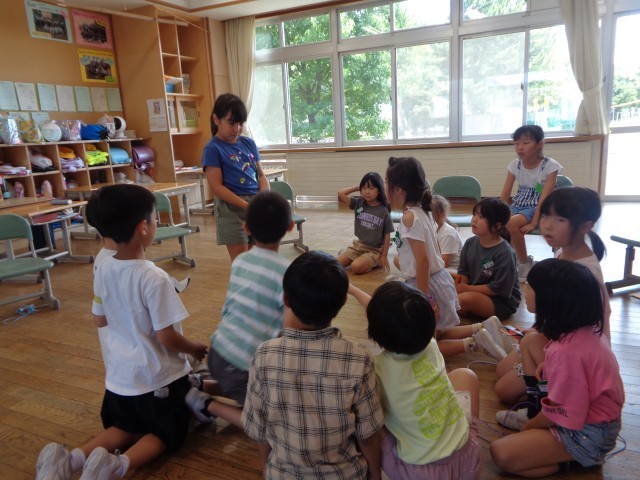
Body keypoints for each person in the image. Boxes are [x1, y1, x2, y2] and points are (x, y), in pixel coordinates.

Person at [35, 184, 208, 480]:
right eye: (154, 218)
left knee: (126, 427)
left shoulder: (103, 268)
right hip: (156, 381)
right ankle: (118, 466)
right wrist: (194, 349)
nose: (156, 223)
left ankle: (69, 459)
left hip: (120, 382)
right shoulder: (154, 277)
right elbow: (166, 337)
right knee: (165, 432)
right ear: (143, 227)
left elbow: (99, 319)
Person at [241, 252, 384, 479]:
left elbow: (258, 429)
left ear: (286, 299)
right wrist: (375, 474)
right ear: (343, 302)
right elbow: (368, 433)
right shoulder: (359, 358)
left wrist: (267, 469)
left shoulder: (263, 355)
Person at [490, 259, 624, 478]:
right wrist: (550, 367)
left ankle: (574, 460)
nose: (525, 290)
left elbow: (561, 412)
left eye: (530, 287)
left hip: (587, 434)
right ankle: (535, 414)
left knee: (501, 453)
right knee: (530, 342)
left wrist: (530, 428)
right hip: (591, 421)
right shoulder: (583, 330)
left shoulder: (567, 353)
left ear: (550, 299)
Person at [348, 281, 482, 479]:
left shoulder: (376, 370)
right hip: (467, 459)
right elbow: (389, 317)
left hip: (419, 473)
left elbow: (383, 316)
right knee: (465, 375)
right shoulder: (431, 345)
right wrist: (352, 289)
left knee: (366, 422)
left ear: (375, 330)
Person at [495, 186, 612, 411]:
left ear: (585, 226)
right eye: (546, 215)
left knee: (504, 391)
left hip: (575, 354)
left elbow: (589, 329)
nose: (547, 225)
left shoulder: (586, 273)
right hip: (555, 337)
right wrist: (536, 330)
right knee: (502, 370)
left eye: (560, 219)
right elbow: (557, 310)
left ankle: (544, 403)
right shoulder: (562, 253)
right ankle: (537, 378)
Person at [184, 191, 294, 428]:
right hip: (241, 366)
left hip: (218, 351)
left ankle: (200, 384)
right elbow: (289, 327)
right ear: (290, 227)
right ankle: (206, 404)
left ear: (245, 228)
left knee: (242, 388)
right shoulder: (287, 272)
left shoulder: (241, 261)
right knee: (270, 422)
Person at [436, 197, 520, 360]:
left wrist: (464, 290)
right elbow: (463, 273)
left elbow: (499, 288)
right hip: (475, 291)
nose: (474, 219)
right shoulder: (470, 243)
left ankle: (450, 328)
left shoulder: (504, 252)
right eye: (474, 214)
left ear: (497, 225)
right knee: (444, 285)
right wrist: (457, 287)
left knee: (462, 300)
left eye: (481, 217)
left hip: (501, 301)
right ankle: (477, 326)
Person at [386, 156, 460, 330]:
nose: (385, 186)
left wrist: (422, 299)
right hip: (438, 280)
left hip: (427, 285)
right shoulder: (423, 210)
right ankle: (479, 330)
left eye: (387, 182)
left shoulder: (409, 217)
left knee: (429, 339)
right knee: (439, 334)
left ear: (398, 190)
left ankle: (476, 337)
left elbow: (423, 261)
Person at [202, 93, 270, 261]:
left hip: (254, 205)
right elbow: (217, 188)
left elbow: (261, 176)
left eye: (240, 123)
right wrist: (247, 206)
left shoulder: (249, 143)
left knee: (254, 261)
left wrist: (262, 200)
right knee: (241, 264)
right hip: (231, 209)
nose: (236, 129)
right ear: (216, 119)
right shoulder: (212, 148)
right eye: (231, 123)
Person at [500, 125, 562, 281]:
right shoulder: (515, 165)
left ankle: (524, 264)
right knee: (500, 223)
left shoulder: (550, 166)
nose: (520, 147)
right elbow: (505, 194)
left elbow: (544, 198)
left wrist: (534, 222)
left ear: (540, 144)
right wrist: (498, 213)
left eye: (526, 143)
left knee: (512, 224)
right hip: (520, 202)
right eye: (516, 143)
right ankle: (509, 260)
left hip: (541, 205)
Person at [337, 172, 395, 274]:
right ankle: (358, 257)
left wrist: (384, 256)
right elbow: (340, 194)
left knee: (355, 267)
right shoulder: (359, 203)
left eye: (371, 188)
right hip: (359, 245)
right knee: (335, 263)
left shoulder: (383, 210)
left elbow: (387, 235)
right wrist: (357, 187)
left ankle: (372, 261)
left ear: (379, 190)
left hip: (375, 250)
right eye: (364, 188)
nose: (367, 192)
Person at [431, 194, 463, 272]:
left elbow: (444, 263)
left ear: (442, 215)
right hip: (441, 264)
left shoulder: (448, 233)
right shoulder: (432, 229)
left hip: (453, 269)